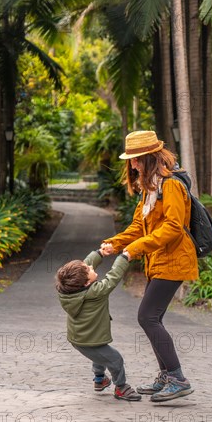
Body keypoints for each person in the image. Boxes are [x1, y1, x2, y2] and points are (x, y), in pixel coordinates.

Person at [101, 130, 198, 402]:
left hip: (174, 260)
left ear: (150, 158)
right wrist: (115, 244)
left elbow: (173, 228)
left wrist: (135, 249)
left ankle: (177, 378)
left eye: (136, 159)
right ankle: (167, 376)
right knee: (152, 317)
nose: (132, 165)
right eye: (131, 160)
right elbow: (137, 227)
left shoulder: (171, 186)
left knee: (147, 317)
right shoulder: (150, 189)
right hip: (158, 262)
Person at [55, 247, 141, 402]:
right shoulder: (95, 292)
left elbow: (83, 265)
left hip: (83, 338)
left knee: (100, 354)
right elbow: (113, 277)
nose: (90, 266)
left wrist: (100, 253)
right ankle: (121, 388)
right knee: (115, 360)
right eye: (89, 270)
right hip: (88, 340)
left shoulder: (67, 289)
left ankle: (100, 380)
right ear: (87, 282)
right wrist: (123, 258)